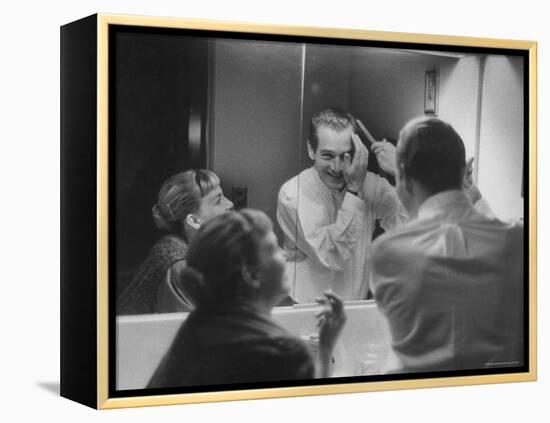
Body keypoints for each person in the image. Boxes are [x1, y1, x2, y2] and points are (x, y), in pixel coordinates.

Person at [369, 116, 524, 373]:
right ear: (463, 173)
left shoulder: (387, 254)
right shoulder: (518, 241)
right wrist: (469, 192)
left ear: (404, 180)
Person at [147, 209, 346, 388]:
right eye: (273, 249)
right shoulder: (283, 353)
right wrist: (326, 350)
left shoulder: (196, 327)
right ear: (251, 275)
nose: (284, 255)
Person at [277, 108, 407, 303]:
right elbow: (334, 254)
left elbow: (410, 231)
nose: (337, 168)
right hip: (306, 311)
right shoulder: (292, 194)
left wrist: (402, 173)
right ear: (311, 150)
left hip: (355, 308)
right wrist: (354, 190)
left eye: (345, 156)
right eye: (328, 156)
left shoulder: (371, 184)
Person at [117, 169, 233, 315]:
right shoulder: (179, 265)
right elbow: (189, 331)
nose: (230, 204)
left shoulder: (184, 248)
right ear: (194, 220)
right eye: (218, 200)